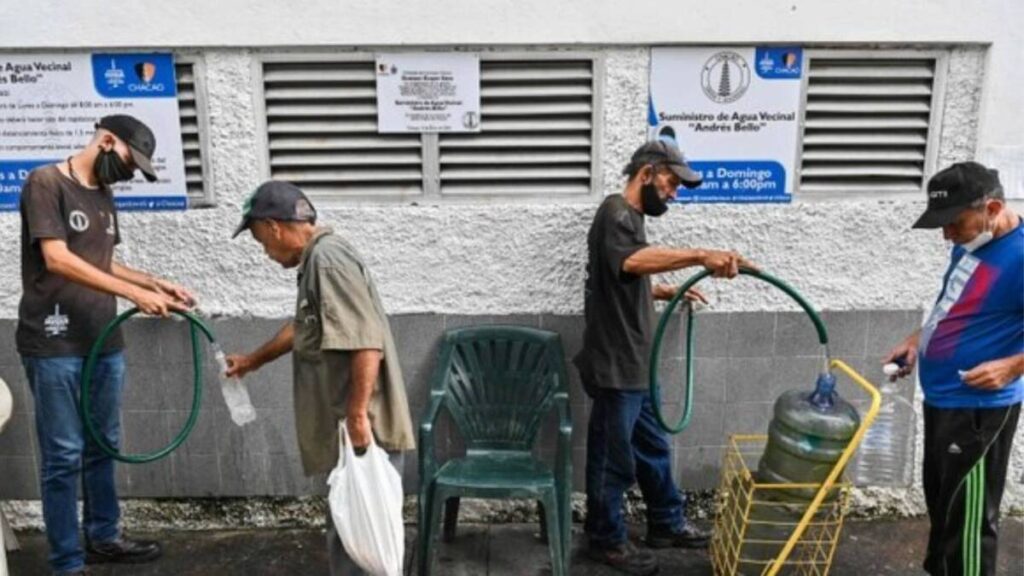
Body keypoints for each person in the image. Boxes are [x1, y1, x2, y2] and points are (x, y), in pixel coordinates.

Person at [17, 114, 194, 576]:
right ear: (107, 140)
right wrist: (135, 296)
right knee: (63, 455)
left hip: (102, 340)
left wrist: (156, 283)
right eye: (129, 161)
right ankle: (67, 561)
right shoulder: (45, 183)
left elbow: (104, 263)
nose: (130, 172)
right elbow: (57, 259)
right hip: (54, 342)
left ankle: (104, 537)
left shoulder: (103, 193)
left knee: (104, 444)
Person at [575, 139, 756, 575]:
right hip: (616, 366)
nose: (675, 192)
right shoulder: (616, 212)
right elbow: (631, 262)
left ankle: (666, 522)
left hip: (637, 363)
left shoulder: (629, 218)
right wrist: (699, 255)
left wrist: (663, 291)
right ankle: (604, 539)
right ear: (647, 173)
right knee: (612, 459)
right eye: (672, 182)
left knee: (653, 448)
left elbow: (617, 276)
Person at [224, 180, 416, 576]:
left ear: (274, 227)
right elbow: (304, 327)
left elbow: (366, 342)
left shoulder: (328, 261)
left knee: (359, 540)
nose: (264, 252)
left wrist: (359, 416)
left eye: (261, 241)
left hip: (364, 428)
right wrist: (252, 361)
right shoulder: (318, 261)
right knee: (351, 529)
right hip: (352, 426)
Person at [884, 161, 1022, 576]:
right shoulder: (973, 244)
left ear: (992, 208)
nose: (947, 235)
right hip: (945, 400)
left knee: (970, 523)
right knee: (946, 508)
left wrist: (1015, 366)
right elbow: (953, 306)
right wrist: (916, 341)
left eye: (954, 223)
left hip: (979, 409)